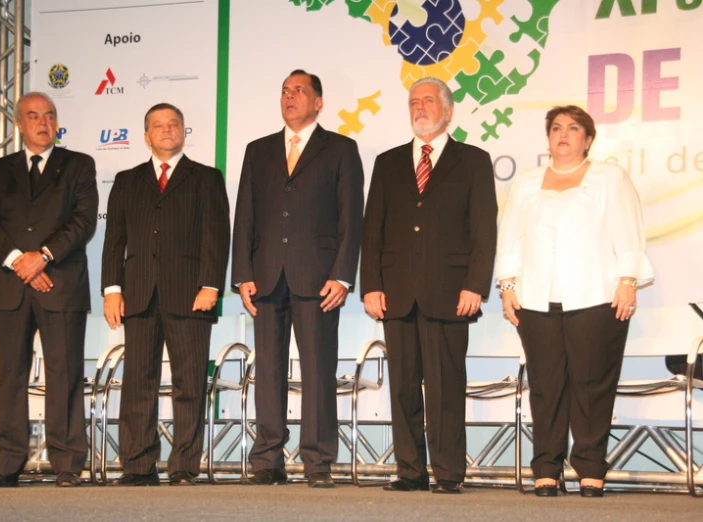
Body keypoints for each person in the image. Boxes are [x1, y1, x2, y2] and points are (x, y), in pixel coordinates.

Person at [495, 105, 654, 498]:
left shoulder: (609, 177)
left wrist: (628, 279)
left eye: (573, 128)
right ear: (548, 138)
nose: (563, 134)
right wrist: (507, 286)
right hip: (536, 299)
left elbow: (629, 231)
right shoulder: (528, 182)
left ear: (588, 138)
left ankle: (590, 468)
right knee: (546, 386)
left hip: (597, 296)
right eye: (555, 128)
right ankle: (547, 467)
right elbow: (510, 236)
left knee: (592, 385)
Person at [361, 77, 497, 494]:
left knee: (445, 387)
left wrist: (475, 284)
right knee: (402, 387)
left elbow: (483, 229)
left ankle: (449, 473)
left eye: (429, 100)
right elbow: (373, 230)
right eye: (414, 101)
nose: (420, 107)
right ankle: (410, 471)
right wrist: (371, 285)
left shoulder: (473, 160)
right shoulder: (387, 162)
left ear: (449, 110)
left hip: (451, 292)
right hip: (397, 292)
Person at [232, 69, 364, 488]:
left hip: (319, 277)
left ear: (318, 101)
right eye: (285, 91)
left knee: (318, 370)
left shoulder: (341, 149)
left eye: (299, 91)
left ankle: (318, 460)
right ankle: (267, 458)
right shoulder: (258, 150)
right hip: (267, 277)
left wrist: (343, 275)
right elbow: (245, 216)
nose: (290, 97)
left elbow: (351, 217)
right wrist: (242, 275)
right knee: (268, 370)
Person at [101, 103, 230, 486]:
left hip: (191, 295)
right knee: (138, 383)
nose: (167, 130)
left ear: (184, 131)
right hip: (138, 295)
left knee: (189, 384)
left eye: (173, 124)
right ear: (146, 135)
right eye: (158, 125)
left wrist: (211, 285)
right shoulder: (126, 180)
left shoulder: (206, 177)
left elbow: (217, 235)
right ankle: (138, 465)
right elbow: (114, 242)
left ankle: (184, 466)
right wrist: (112, 289)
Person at [0, 92, 98, 487]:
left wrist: (42, 257)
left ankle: (67, 462)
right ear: (19, 124)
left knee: (64, 373)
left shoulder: (78, 164)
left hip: (61, 282)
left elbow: (83, 222)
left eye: (49, 116)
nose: (43, 123)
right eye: (33, 116)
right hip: (12, 285)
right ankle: (8, 461)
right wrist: (19, 261)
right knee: (11, 373)